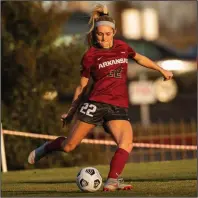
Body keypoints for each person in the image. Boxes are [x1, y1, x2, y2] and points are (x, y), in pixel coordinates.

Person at [28, 4, 173, 191]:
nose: (104, 38)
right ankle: (46, 148)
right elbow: (81, 86)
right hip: (95, 104)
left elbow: (139, 58)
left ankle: (112, 180)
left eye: (107, 34)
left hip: (118, 107)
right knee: (68, 146)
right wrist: (71, 111)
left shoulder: (122, 47)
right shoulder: (90, 55)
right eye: (99, 34)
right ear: (95, 34)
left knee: (126, 142)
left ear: (114, 32)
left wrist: (161, 70)